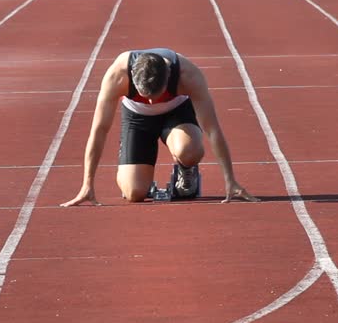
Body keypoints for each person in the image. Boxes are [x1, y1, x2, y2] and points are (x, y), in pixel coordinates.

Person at [60, 47, 259, 206]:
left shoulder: (187, 75)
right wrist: (87, 184)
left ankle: (186, 169)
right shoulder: (117, 75)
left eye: (156, 97)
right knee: (134, 193)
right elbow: (99, 130)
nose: (152, 103)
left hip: (176, 113)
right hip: (137, 118)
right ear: (133, 82)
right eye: (145, 97)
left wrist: (230, 179)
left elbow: (212, 129)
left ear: (168, 78)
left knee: (190, 151)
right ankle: (138, 177)